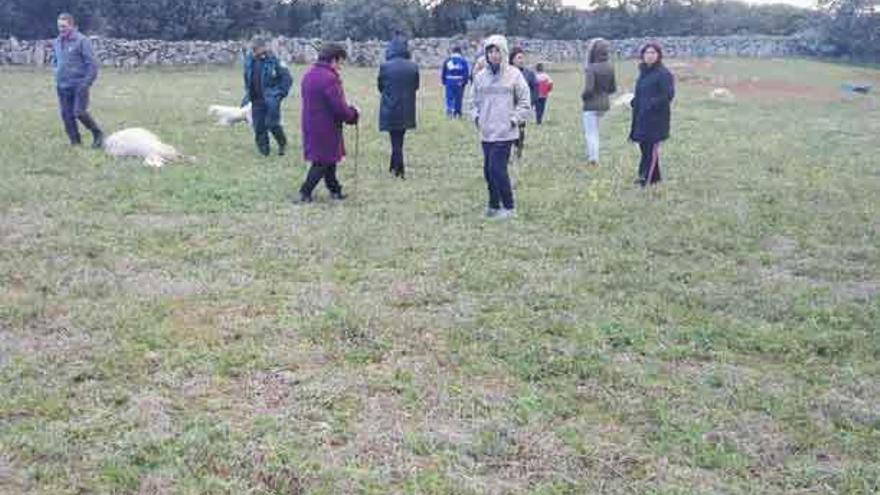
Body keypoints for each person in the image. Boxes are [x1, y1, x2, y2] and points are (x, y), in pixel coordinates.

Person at [470, 35, 532, 219]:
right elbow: (472, 101)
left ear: (504, 52)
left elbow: (525, 101)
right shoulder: (480, 77)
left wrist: (514, 119)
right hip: (486, 132)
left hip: (505, 132)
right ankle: (493, 205)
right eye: (490, 51)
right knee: (488, 171)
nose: (494, 55)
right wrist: (476, 117)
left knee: (497, 169)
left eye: (497, 51)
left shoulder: (514, 74)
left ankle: (509, 207)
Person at [298, 43, 360, 203]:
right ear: (334, 59)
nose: (341, 66)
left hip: (311, 124)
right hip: (326, 127)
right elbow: (339, 107)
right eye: (340, 62)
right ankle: (305, 192)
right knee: (321, 162)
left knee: (329, 159)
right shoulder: (330, 79)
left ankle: (335, 190)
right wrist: (353, 114)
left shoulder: (309, 74)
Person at [53, 13, 104, 148]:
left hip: (79, 84)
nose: (61, 29)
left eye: (64, 26)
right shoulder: (57, 41)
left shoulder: (82, 41)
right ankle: (75, 142)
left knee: (79, 112)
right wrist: (56, 74)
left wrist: (86, 83)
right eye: (59, 26)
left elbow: (92, 65)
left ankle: (98, 134)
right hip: (62, 85)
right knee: (66, 116)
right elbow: (57, 61)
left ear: (72, 25)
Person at [630, 42, 675, 187]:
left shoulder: (663, 74)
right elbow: (641, 92)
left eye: (653, 53)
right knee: (644, 148)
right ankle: (656, 178)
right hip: (642, 118)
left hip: (656, 119)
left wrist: (650, 104)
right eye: (647, 53)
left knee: (651, 149)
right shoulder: (643, 73)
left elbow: (668, 95)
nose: (650, 56)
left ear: (658, 55)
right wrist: (635, 102)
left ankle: (645, 179)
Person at [242, 37, 293, 157]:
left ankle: (282, 143)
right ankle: (264, 151)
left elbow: (287, 79)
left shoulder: (274, 60)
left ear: (263, 48)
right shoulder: (249, 60)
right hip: (256, 99)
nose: (253, 52)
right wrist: (248, 92)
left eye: (256, 49)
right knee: (258, 126)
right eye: (252, 49)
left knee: (272, 124)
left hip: (271, 99)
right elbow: (246, 76)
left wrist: (279, 94)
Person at [378, 36, 420, 179]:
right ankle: (394, 166)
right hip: (407, 108)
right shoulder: (413, 67)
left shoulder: (385, 67)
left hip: (390, 107)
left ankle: (398, 168)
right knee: (399, 138)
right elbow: (416, 86)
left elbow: (380, 87)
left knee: (395, 139)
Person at [581, 38, 617, 167]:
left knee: (591, 133)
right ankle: (593, 155)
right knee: (596, 132)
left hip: (591, 104)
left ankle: (593, 158)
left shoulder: (591, 68)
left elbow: (589, 89)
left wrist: (583, 96)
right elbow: (613, 89)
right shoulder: (610, 66)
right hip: (605, 103)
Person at [508, 47, 537, 160]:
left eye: (522, 57)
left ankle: (518, 150)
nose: (521, 60)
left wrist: (530, 103)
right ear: (512, 59)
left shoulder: (529, 74)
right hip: (508, 108)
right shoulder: (506, 73)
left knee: (520, 130)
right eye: (519, 57)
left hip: (521, 108)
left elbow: (535, 89)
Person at [441, 46, 469, 118]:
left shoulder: (447, 60)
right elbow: (466, 72)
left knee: (449, 96)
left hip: (449, 80)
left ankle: (450, 110)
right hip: (459, 81)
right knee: (458, 97)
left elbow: (444, 71)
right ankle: (457, 112)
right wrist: (465, 82)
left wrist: (444, 81)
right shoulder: (463, 61)